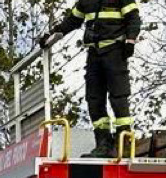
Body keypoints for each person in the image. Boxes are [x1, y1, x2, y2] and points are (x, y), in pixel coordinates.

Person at [40, 1, 142, 159]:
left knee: (119, 96)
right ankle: (103, 143)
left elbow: (133, 18)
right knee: (94, 99)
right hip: (94, 53)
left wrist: (130, 40)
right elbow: (72, 21)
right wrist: (52, 35)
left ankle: (124, 142)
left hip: (115, 49)